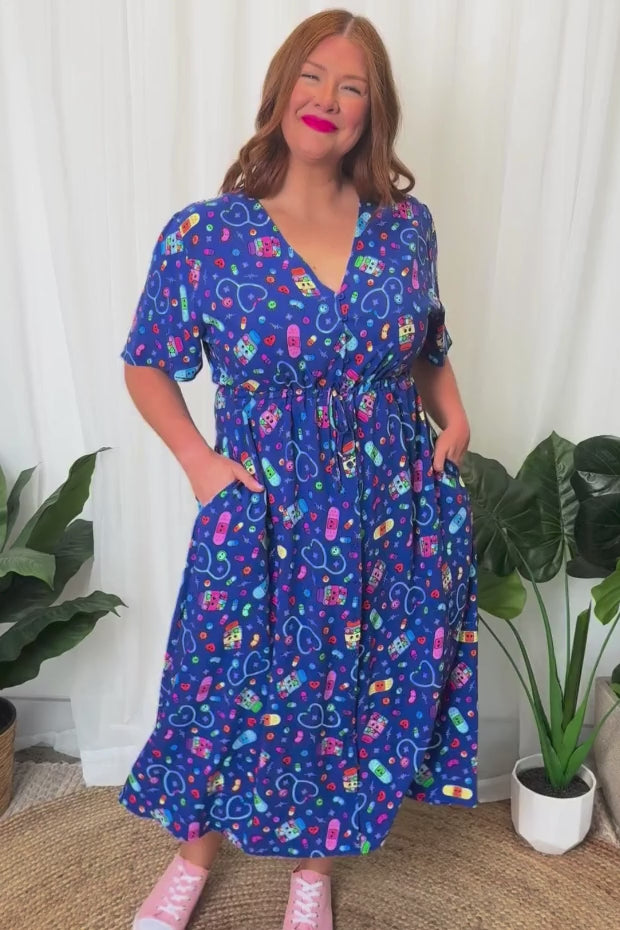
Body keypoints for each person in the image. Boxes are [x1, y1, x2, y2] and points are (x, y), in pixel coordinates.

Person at [118, 8, 478, 930]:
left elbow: (426, 344)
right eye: (313, 76)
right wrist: (198, 461)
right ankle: (193, 857)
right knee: (223, 681)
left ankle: (312, 872)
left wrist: (454, 410)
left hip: (385, 504)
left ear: (371, 112)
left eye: (352, 86)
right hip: (265, 505)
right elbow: (147, 361)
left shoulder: (406, 228)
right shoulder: (207, 234)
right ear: (282, 89)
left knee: (346, 689)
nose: (328, 98)